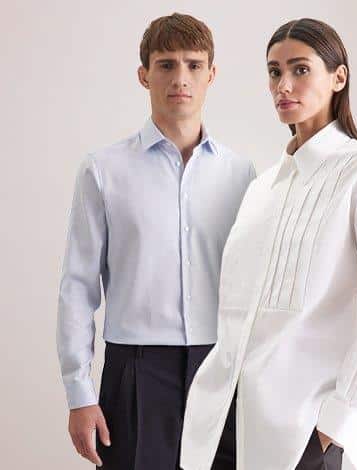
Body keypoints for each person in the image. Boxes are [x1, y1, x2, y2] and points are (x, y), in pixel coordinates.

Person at [179, 18, 357, 470]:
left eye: (300, 69)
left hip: (304, 432)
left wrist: (336, 421)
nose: (283, 85)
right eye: (274, 72)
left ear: (338, 77)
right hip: (224, 422)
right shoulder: (262, 188)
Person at [56, 12, 256, 470]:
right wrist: (78, 393)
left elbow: (251, 283)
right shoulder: (103, 170)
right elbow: (77, 287)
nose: (180, 78)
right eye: (166, 65)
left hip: (221, 368)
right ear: (144, 75)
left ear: (211, 74)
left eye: (193, 65)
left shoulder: (241, 174)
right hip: (135, 370)